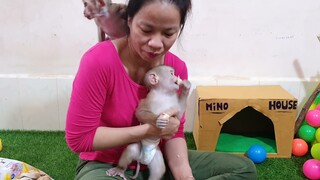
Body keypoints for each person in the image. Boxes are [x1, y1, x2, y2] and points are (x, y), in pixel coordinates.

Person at [65, 0, 258, 179]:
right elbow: (79, 139)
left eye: (168, 33)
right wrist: (148, 130)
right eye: (146, 29)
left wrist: (184, 174)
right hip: (105, 165)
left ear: (179, 29)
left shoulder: (176, 69)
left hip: (157, 159)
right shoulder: (99, 61)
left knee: (243, 168)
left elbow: (174, 132)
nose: (156, 43)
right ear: (130, 20)